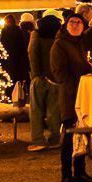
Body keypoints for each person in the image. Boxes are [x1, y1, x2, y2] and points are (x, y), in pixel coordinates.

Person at [52, 11, 92, 182]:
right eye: (72, 22)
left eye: (78, 22)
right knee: (69, 135)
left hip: (85, 94)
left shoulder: (84, 43)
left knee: (83, 133)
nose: (75, 25)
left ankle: (81, 171)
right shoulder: (60, 44)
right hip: (70, 95)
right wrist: (75, 86)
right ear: (66, 25)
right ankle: (67, 175)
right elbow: (58, 71)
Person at [27, 13, 61, 151]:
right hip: (55, 78)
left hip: (39, 78)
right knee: (54, 111)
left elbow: (32, 53)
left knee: (36, 110)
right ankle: (55, 139)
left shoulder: (36, 35)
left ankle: (38, 140)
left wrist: (36, 74)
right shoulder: (58, 37)